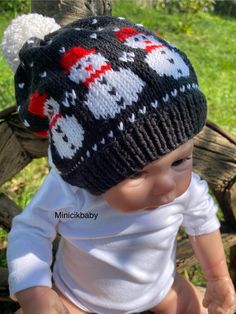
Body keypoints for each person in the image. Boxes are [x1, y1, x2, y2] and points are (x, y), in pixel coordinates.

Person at [2, 13, 236, 314]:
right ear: (89, 173)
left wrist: (217, 277)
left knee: (195, 307)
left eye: (180, 161)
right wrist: (34, 291)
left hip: (161, 288)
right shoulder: (72, 197)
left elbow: (202, 221)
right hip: (79, 299)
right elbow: (31, 231)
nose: (167, 184)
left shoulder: (185, 190)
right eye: (137, 171)